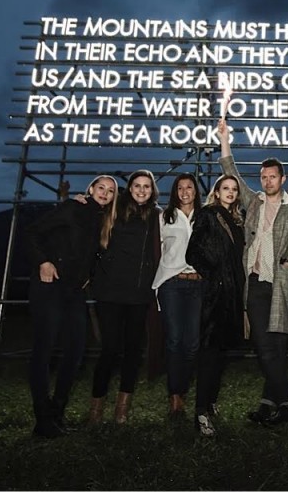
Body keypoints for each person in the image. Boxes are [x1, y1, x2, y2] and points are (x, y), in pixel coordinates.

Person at [217, 102, 288, 426]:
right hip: (255, 282)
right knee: (263, 347)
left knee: (276, 349)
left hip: (280, 283)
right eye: (264, 177)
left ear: (282, 178)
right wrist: (225, 139)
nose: (268, 181)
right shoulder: (253, 201)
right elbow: (230, 171)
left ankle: (271, 405)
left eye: (273, 176)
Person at [23, 174, 118, 438]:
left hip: (74, 291)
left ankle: (56, 413)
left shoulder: (102, 220)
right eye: (101, 187)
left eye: (110, 191)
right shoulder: (72, 208)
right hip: (49, 285)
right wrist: (43, 261)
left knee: (76, 352)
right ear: (90, 188)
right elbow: (32, 232)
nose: (105, 193)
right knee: (44, 350)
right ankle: (42, 420)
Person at [87, 170, 162, 426]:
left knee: (133, 351)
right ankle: (96, 408)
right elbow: (90, 219)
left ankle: (122, 409)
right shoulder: (114, 210)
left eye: (147, 187)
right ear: (129, 188)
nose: (142, 190)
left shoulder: (157, 216)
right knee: (109, 349)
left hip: (139, 293)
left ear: (152, 192)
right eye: (137, 185)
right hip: (110, 291)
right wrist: (77, 198)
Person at [185, 174, 246, 437]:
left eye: (234, 189)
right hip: (214, 294)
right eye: (226, 188)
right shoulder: (209, 214)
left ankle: (209, 402)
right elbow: (193, 252)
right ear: (217, 192)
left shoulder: (236, 221)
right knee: (209, 352)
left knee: (220, 352)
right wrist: (214, 274)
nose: (230, 192)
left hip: (232, 295)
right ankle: (199, 412)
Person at [151, 173, 203, 420]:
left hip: (198, 286)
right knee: (174, 340)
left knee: (192, 344)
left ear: (196, 191)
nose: (185, 191)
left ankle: (183, 389)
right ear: (175, 192)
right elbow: (156, 248)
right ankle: (175, 398)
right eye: (180, 188)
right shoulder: (165, 216)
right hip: (171, 283)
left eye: (189, 187)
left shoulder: (205, 216)